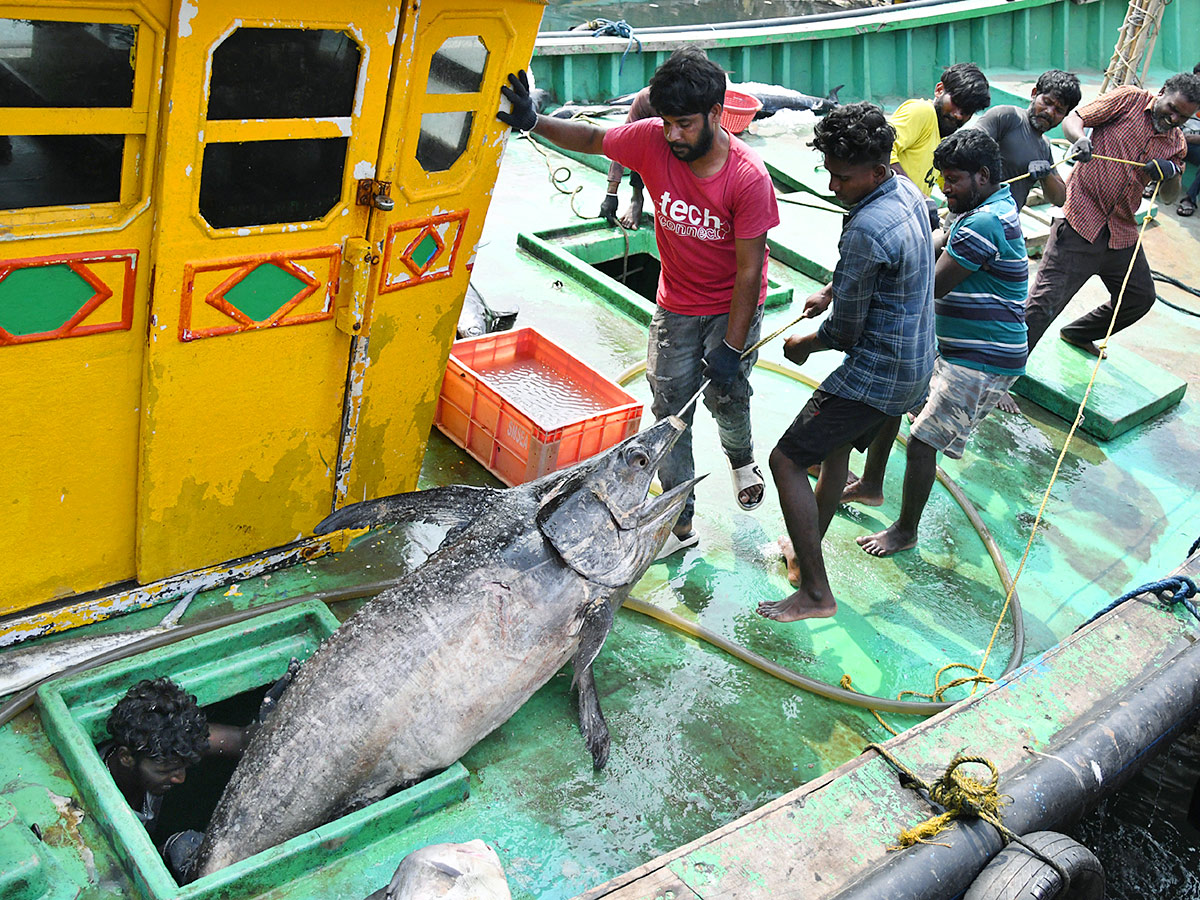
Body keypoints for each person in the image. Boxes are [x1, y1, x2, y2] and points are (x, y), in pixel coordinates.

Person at [499, 51, 780, 556]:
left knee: (726, 396)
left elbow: (749, 271)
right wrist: (532, 121)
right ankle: (678, 525)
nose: (672, 135)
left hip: (730, 305)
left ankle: (741, 459)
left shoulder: (748, 177)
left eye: (685, 124)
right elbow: (590, 138)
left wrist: (733, 347)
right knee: (670, 412)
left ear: (717, 114)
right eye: (667, 122)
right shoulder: (652, 140)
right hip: (676, 302)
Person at [757, 102, 934, 623]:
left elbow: (845, 333)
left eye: (843, 177)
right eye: (830, 173)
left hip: (877, 374)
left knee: (786, 459)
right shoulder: (906, 189)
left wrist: (804, 343)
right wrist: (834, 290)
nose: (834, 187)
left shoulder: (863, 229)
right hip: (917, 361)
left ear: (876, 170)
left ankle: (816, 592)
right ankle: (803, 551)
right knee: (833, 455)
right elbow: (879, 268)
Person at [854, 130, 1027, 556]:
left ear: (982, 175)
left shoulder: (984, 222)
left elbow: (931, 286)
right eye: (942, 179)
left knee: (922, 441)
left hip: (981, 356)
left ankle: (906, 531)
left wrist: (862, 284)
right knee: (894, 399)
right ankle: (870, 484)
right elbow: (939, 240)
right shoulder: (993, 202)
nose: (944, 189)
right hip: (956, 347)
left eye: (953, 181)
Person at [1024, 72, 1200, 356]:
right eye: (1173, 109)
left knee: (1140, 297)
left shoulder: (1176, 143)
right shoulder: (1128, 99)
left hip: (1121, 231)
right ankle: (1002, 372)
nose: (1174, 120)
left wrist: (1169, 176)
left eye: (1184, 117)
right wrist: (1079, 139)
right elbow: (1074, 119)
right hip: (1080, 220)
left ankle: (1078, 333)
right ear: (1163, 90)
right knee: (1043, 304)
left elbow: (1168, 197)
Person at [102, 677, 250, 880]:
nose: (180, 778)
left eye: (184, 766)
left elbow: (242, 739)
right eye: (166, 771)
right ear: (126, 758)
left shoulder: (172, 747)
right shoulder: (99, 806)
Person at [972, 69, 1082, 211]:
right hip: (973, 216)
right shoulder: (1006, 117)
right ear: (1034, 93)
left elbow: (1059, 199)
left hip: (1005, 224)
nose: (1049, 112)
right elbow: (968, 145)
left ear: (1064, 116)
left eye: (1059, 110)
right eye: (1046, 102)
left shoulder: (1044, 147)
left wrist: (1046, 176)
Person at [889, 63, 992, 197]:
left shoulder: (942, 136)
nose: (958, 114)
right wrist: (918, 198)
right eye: (956, 103)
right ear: (939, 90)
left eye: (966, 111)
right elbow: (881, 150)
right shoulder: (922, 112)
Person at [598, 87, 654, 229]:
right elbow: (623, 142)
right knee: (640, 137)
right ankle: (637, 198)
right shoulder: (646, 98)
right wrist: (611, 194)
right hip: (654, 148)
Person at [1175, 62, 1200, 218]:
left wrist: (1192, 138)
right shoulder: (1182, 96)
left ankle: (1190, 199)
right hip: (1176, 139)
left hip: (1195, 145)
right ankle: (1153, 183)